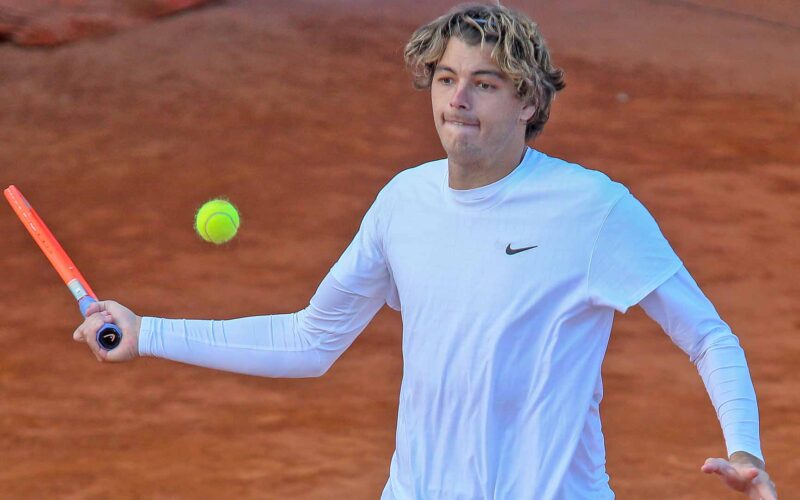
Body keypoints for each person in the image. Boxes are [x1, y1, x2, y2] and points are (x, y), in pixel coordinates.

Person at [73, 4, 777, 499]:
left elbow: (707, 336)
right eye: (445, 79)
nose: (457, 99)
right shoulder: (403, 202)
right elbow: (310, 339)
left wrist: (744, 450)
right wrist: (148, 333)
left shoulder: (593, 210)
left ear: (528, 103)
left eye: (484, 84)